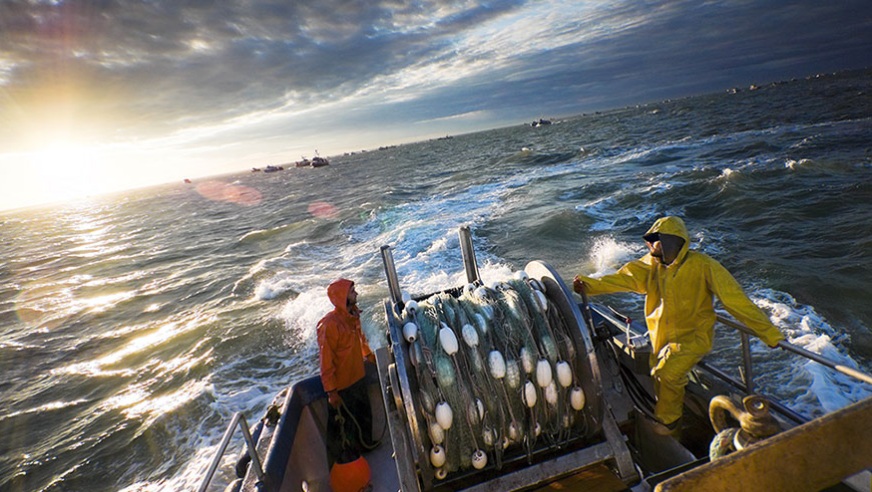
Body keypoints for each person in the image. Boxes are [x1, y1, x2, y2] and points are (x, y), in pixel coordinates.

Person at [573, 216, 784, 435]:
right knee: (658, 374)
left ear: (674, 242)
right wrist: (588, 285)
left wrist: (770, 334)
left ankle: (669, 425)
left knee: (668, 374)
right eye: (652, 241)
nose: (654, 246)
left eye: (659, 241)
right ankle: (673, 424)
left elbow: (736, 301)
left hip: (693, 338)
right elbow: (622, 279)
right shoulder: (650, 265)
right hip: (660, 336)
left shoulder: (704, 266)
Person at [317, 278, 376, 467]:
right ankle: (340, 467)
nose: (356, 294)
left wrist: (369, 355)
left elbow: (361, 339)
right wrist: (331, 392)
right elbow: (326, 362)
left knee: (365, 418)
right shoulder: (329, 325)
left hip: (358, 378)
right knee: (341, 430)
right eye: (352, 292)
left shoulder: (353, 316)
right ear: (343, 298)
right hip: (341, 387)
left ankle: (367, 446)